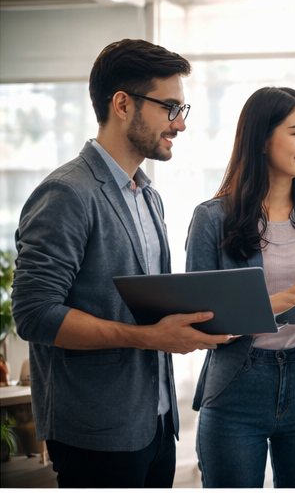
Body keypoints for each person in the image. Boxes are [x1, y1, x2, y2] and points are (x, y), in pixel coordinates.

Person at [11, 39, 232, 488]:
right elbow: (33, 314)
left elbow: (145, 302)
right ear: (123, 104)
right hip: (96, 433)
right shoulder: (68, 193)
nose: (181, 124)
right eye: (171, 107)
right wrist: (146, 338)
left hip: (155, 422)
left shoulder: (147, 194)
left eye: (183, 108)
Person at [186, 86, 295, 488]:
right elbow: (196, 323)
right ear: (262, 139)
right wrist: (272, 305)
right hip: (236, 387)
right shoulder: (212, 219)